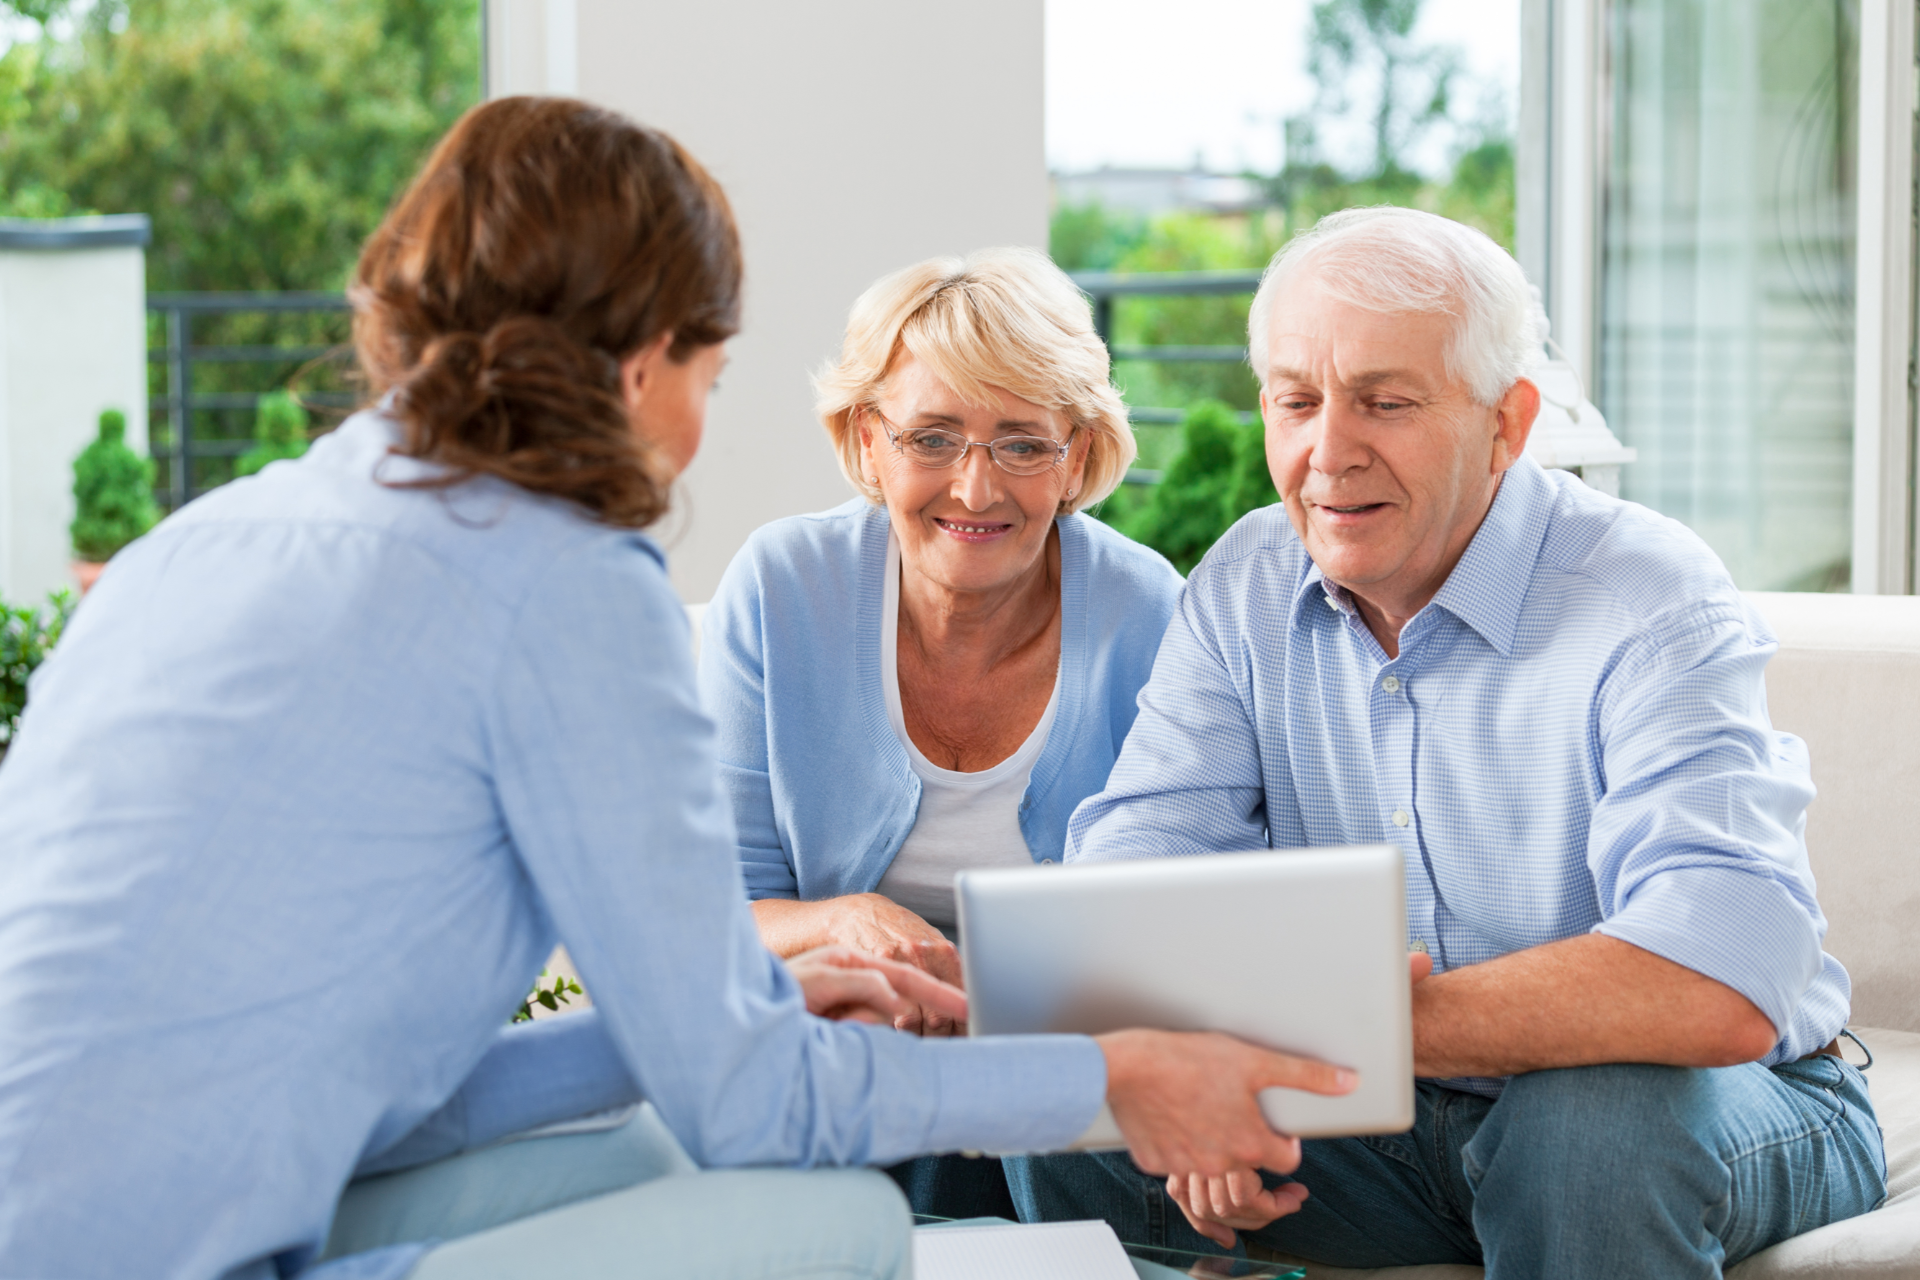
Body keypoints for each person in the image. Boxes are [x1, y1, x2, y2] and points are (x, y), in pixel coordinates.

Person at [0, 97, 1359, 1280]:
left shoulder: (212, 537)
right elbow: (752, 1109)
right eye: (708, 372)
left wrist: (759, 1009)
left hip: (103, 1216)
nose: (697, 423)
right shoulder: (562, 583)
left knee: (660, 1153)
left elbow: (397, 1094)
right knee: (841, 1225)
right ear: (644, 360)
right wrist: (1120, 1076)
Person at [1013, 206, 1887, 1278]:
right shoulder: (1244, 580)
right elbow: (1128, 888)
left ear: (1507, 424)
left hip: (1715, 1101)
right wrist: (1191, 1062)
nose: (1328, 452)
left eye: (1386, 401)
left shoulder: (1647, 597)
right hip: (1384, 1125)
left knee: (1587, 1123)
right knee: (1055, 1097)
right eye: (1296, 401)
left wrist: (1350, 1019)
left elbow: (1722, 974)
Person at [699, 248, 1183, 1220]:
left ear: (1076, 454)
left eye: (1020, 443)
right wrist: (843, 915)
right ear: (868, 440)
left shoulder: (1147, 607)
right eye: (933, 437)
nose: (975, 488)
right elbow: (718, 906)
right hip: (842, 1034)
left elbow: (1174, 915)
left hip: (1057, 1054)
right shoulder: (782, 585)